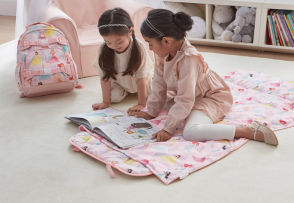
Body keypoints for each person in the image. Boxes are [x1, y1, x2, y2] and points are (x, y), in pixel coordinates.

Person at [128, 9, 278, 145]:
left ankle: (247, 131)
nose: (150, 48)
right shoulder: (162, 52)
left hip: (211, 97)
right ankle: (187, 113)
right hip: (190, 95)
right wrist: (151, 111)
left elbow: (185, 99)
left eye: (150, 43)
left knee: (191, 132)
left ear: (167, 41)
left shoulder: (188, 59)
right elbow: (158, 84)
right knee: (163, 100)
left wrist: (168, 129)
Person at [91, 8, 153, 112]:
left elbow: (141, 77)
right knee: (114, 98)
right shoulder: (103, 48)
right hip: (121, 83)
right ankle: (126, 91)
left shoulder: (138, 47)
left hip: (142, 82)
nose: (114, 46)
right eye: (108, 42)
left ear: (130, 30)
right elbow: (104, 77)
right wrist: (105, 102)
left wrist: (141, 104)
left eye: (119, 41)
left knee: (159, 92)